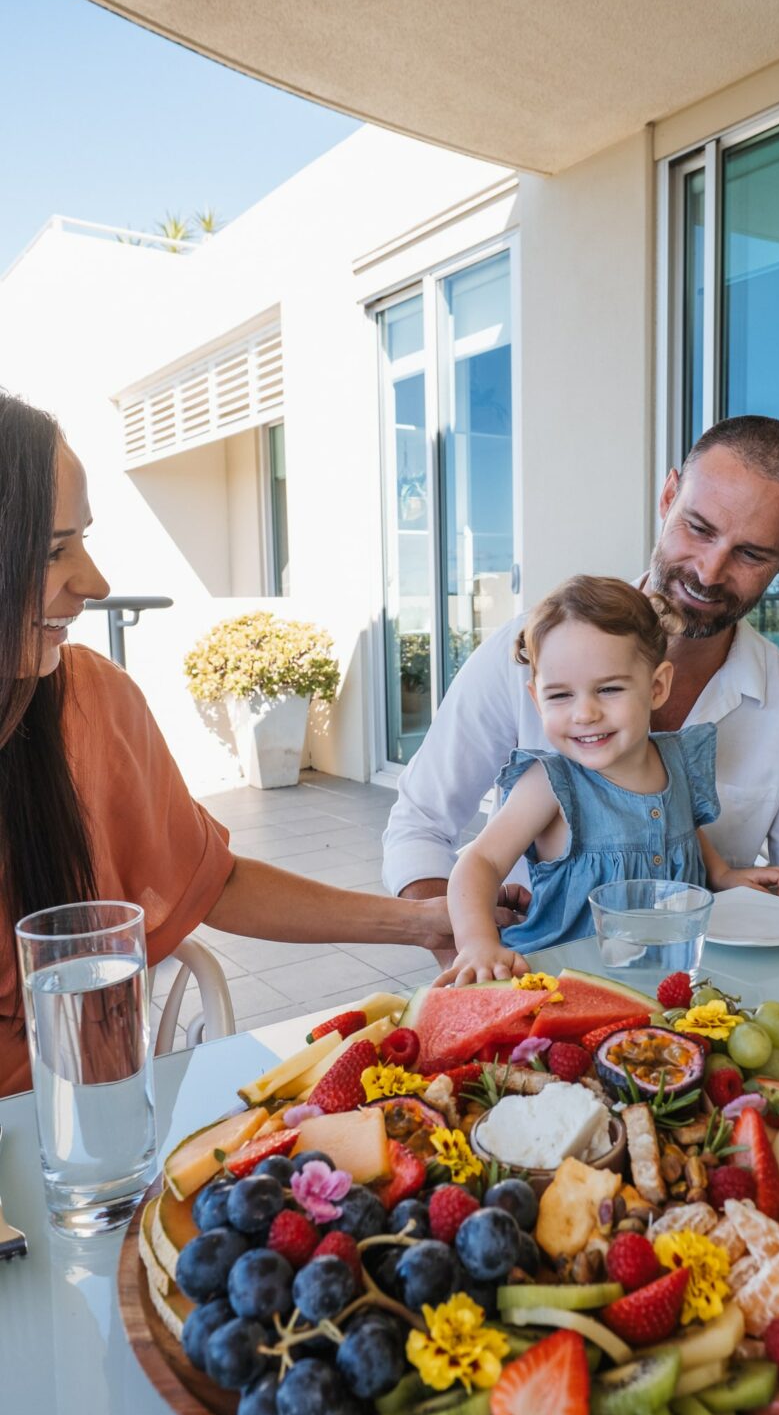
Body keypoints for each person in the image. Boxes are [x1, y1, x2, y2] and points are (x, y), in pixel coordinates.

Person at [0, 393, 509, 1099]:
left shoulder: (95, 701)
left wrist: (421, 922)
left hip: (100, 1129)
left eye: (84, 539)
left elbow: (214, 880)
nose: (95, 583)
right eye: (56, 551)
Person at [384, 416, 779, 922]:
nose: (709, 571)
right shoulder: (524, 650)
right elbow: (422, 823)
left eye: (751, 554)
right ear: (668, 495)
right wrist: (467, 952)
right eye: (698, 528)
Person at [447, 576, 779, 982]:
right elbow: (480, 861)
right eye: (560, 695)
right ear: (536, 698)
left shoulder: (677, 761)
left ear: (656, 687)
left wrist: (722, 874)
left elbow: (680, 825)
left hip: (662, 979)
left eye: (609, 689)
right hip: (553, 981)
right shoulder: (550, 784)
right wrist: (477, 941)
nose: (585, 714)